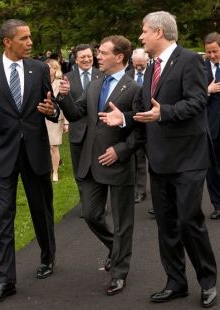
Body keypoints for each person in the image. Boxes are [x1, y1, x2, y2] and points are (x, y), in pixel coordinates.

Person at [99, 11, 217, 308]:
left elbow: (197, 101)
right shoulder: (151, 66)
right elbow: (142, 108)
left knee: (190, 220)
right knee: (166, 224)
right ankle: (176, 282)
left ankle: (207, 281)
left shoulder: (191, 60)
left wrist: (163, 112)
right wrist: (124, 118)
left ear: (159, 32)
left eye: (144, 31)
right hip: (160, 159)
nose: (140, 37)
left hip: (189, 157)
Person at [0, 19, 59, 305]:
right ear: (7, 41)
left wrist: (51, 110)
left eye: (30, 37)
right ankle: (5, 280)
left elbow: (51, 106)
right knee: (4, 218)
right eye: (24, 38)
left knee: (41, 211)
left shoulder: (39, 69)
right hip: (3, 156)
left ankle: (48, 257)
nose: (30, 42)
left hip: (35, 153)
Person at [58, 35, 145, 296]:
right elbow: (76, 114)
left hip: (118, 163)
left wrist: (120, 151)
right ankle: (114, 249)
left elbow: (140, 130)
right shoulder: (96, 84)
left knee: (123, 223)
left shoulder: (134, 88)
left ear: (119, 56)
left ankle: (119, 272)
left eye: (103, 53)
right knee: (92, 214)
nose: (97, 56)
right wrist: (63, 98)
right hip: (91, 163)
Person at [65, 44, 103, 215]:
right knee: (79, 171)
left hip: (99, 131)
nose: (87, 59)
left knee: (98, 169)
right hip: (77, 132)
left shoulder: (102, 75)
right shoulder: (67, 78)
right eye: (83, 57)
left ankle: (100, 204)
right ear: (75, 59)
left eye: (89, 56)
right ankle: (85, 204)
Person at [127, 48, 149, 205]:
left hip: (152, 124)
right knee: (138, 159)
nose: (139, 67)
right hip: (134, 124)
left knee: (155, 161)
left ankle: (160, 191)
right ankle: (139, 191)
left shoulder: (154, 74)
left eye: (142, 64)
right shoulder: (127, 76)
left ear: (147, 61)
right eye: (136, 64)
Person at [203, 32, 220, 220]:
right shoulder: (201, 67)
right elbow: (191, 93)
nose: (212, 56)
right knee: (212, 169)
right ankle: (217, 204)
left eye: (215, 51)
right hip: (209, 127)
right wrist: (207, 90)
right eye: (209, 52)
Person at [45, 58, 68, 182]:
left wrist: (66, 122)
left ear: (56, 70)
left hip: (56, 118)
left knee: (53, 146)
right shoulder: (39, 82)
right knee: (44, 146)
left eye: (51, 68)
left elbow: (64, 104)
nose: (49, 70)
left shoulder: (60, 83)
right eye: (46, 68)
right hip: (41, 118)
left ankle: (55, 172)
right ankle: (46, 169)